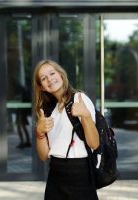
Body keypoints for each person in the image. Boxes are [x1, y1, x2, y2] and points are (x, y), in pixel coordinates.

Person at [33, 59, 100, 200]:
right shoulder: (49, 111)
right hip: (55, 174)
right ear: (42, 87)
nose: (50, 79)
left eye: (52, 73)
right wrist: (39, 133)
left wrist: (86, 116)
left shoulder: (79, 98)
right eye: (44, 78)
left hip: (79, 173)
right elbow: (43, 155)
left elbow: (94, 144)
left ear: (61, 75)